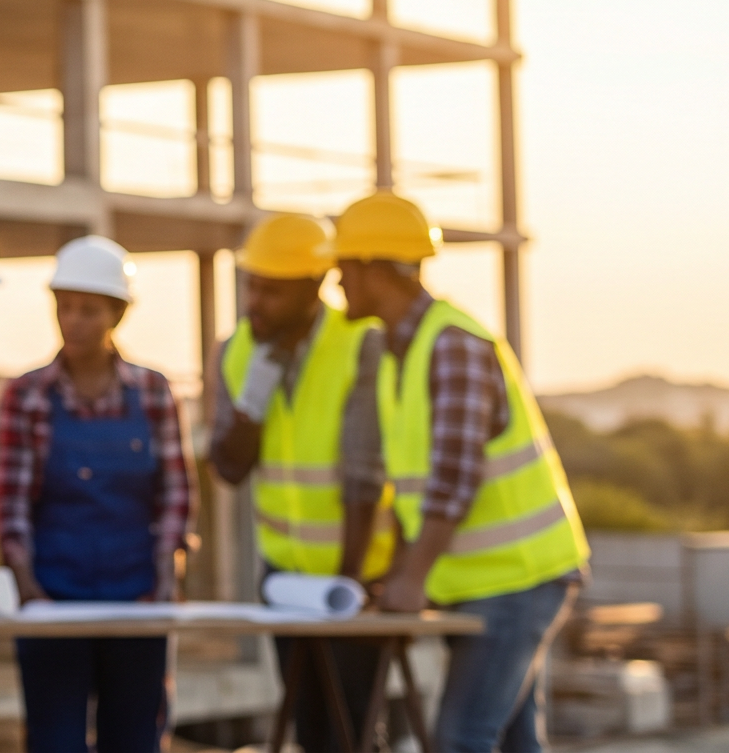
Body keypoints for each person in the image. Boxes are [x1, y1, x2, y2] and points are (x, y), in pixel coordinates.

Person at [337, 192, 588, 753]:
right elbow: (411, 491)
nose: (336, 282)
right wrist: (400, 571)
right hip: (488, 583)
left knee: (460, 738)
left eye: (343, 267)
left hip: (518, 580)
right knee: (514, 738)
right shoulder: (398, 352)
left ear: (377, 269)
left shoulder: (451, 346)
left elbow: (454, 481)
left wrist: (410, 578)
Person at [0, 237, 190, 753]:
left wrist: (165, 580)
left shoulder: (153, 393)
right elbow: (10, 505)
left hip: (138, 603)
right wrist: (30, 591)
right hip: (54, 600)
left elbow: (174, 494)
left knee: (135, 740)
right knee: (55, 741)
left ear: (117, 315)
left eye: (89, 310)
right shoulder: (26, 395)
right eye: (65, 307)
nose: (73, 321)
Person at [211, 212, 390, 753]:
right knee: (310, 727)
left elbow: (365, 474)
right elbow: (228, 467)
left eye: (271, 292)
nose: (254, 304)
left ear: (313, 288)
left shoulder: (360, 343)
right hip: (285, 579)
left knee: (352, 729)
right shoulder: (238, 351)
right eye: (250, 286)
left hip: (353, 576)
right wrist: (251, 409)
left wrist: (348, 586)